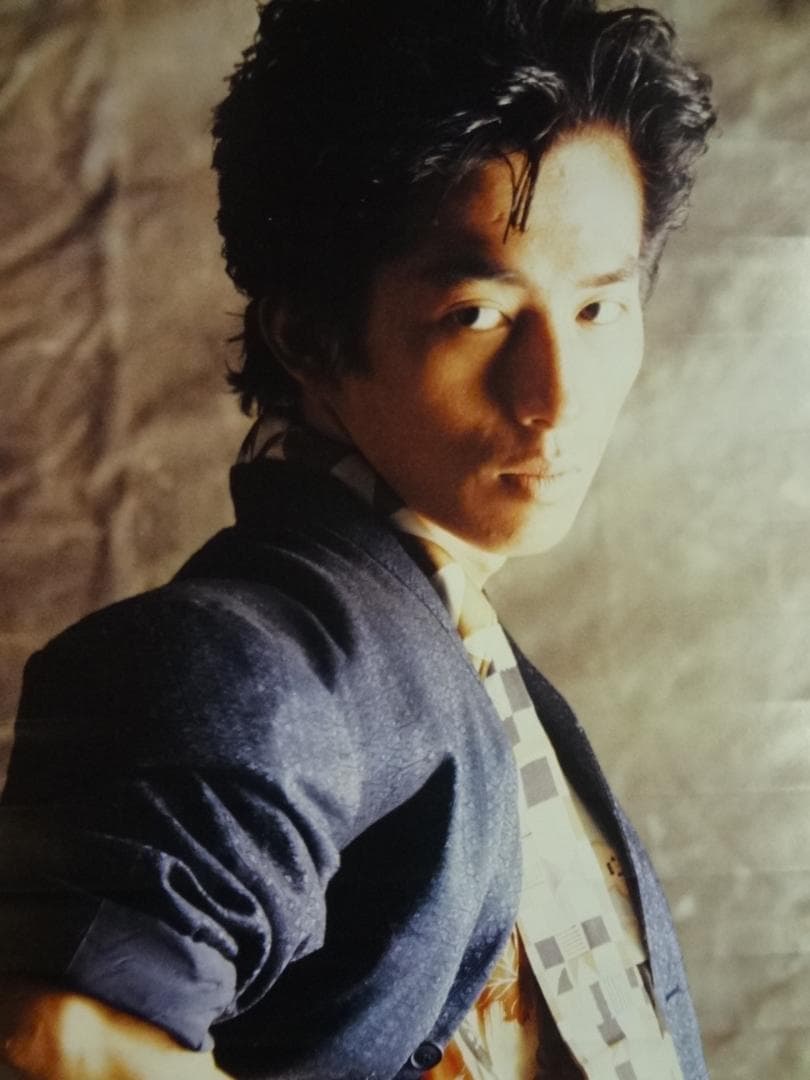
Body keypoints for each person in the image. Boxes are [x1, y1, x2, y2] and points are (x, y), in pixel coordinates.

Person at [0, 0, 716, 1077]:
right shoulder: (252, 655)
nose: (557, 399)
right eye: (478, 315)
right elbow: (60, 1035)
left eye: (597, 311)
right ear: (308, 335)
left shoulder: (447, 634)